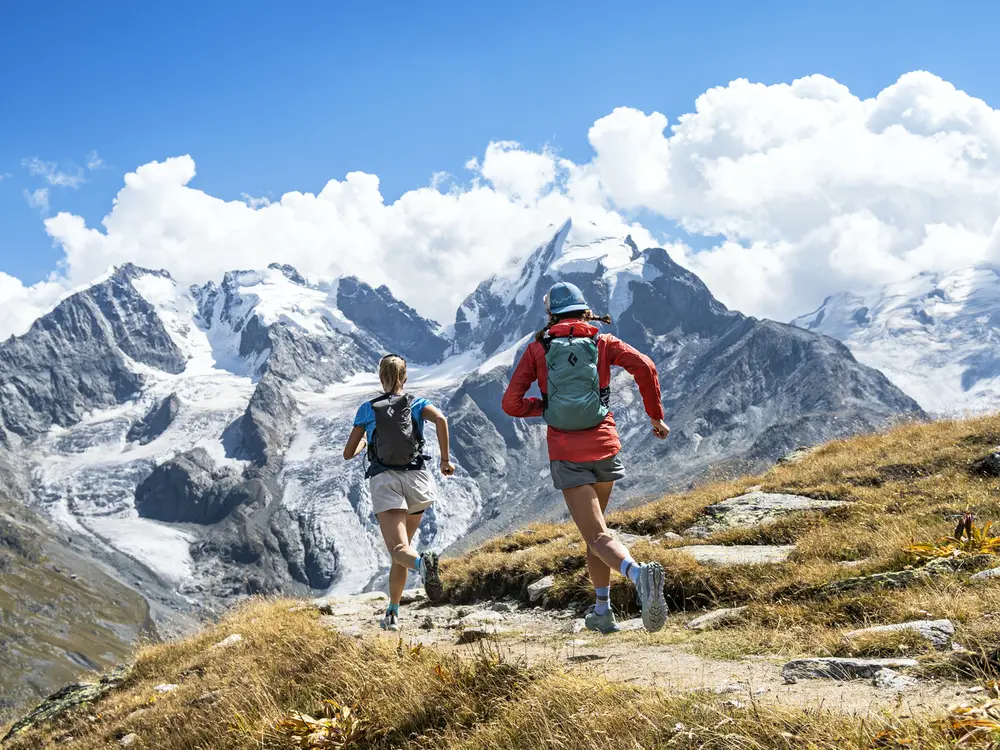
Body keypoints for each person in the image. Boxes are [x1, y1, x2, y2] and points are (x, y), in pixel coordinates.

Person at [501, 281, 671, 634]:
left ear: (551, 314)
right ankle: (602, 611)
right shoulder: (601, 341)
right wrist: (654, 415)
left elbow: (511, 404)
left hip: (567, 454)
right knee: (598, 532)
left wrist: (545, 406)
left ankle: (638, 576)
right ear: (584, 309)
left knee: (596, 535)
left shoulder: (538, 348)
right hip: (605, 446)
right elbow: (645, 366)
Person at [343, 353, 455, 631]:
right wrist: (444, 459)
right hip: (417, 481)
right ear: (405, 378)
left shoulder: (368, 410)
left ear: (381, 378)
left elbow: (348, 453)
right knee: (401, 548)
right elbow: (441, 419)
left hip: (386, 482)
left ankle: (422, 565)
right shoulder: (417, 404)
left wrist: (365, 444)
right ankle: (392, 612)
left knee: (399, 550)